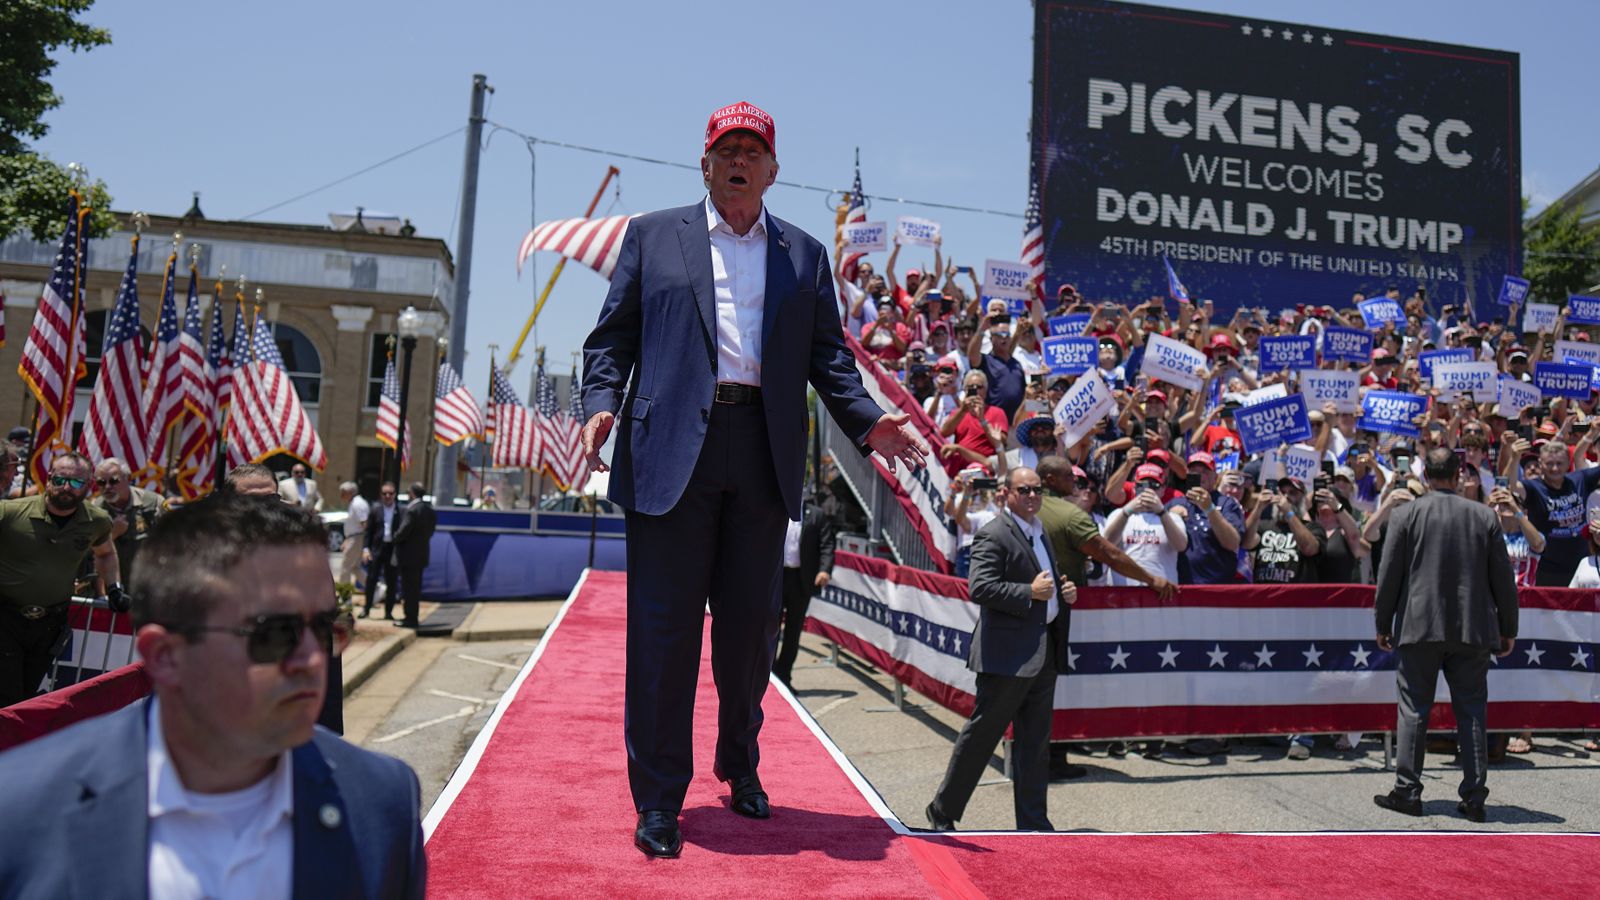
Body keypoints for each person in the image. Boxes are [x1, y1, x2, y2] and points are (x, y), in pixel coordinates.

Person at [579, 101, 925, 859]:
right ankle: (660, 801)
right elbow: (611, 339)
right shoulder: (650, 236)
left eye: (752, 150)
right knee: (664, 641)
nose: (739, 160)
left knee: (747, 637)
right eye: (725, 149)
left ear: (772, 169)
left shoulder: (802, 255)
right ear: (705, 164)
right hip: (670, 455)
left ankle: (739, 766)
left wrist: (869, 421)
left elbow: (830, 358)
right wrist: (601, 405)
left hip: (761, 452)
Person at [0, 492, 426, 896]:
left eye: (323, 630)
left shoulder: (382, 803)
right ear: (165, 657)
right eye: (275, 634)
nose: (312, 661)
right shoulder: (22, 808)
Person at [1373, 448, 1518, 824]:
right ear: (1456, 475)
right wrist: (1508, 629)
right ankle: (1474, 797)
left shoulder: (1407, 513)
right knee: (1471, 711)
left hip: (1419, 626)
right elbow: (1503, 579)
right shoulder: (1484, 515)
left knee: (1413, 709)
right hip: (1471, 628)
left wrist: (1382, 623)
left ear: (1425, 475)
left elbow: (1388, 574)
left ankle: (1407, 791)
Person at [925, 468, 1073, 833]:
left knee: (1035, 744)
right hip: (1006, 655)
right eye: (1024, 490)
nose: (1033, 496)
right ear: (1006, 492)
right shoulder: (993, 533)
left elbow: (1044, 583)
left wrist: (1062, 590)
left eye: (1038, 490)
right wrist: (1029, 592)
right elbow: (980, 588)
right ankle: (942, 810)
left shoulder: (1040, 532)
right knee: (983, 737)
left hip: (1043, 651)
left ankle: (1034, 822)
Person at [0, 452, 123, 707]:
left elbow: (106, 553)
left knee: (25, 694)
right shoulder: (10, 512)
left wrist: (114, 588)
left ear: (88, 486)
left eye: (76, 483)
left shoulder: (97, 521)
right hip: (5, 618)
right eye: (60, 480)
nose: (66, 488)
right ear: (48, 479)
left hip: (49, 624)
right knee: (7, 694)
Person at [772, 489, 836, 686]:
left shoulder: (816, 515)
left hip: (801, 581)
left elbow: (827, 545)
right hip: (776, 579)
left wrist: (824, 570)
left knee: (793, 631)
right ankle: (768, 676)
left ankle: (784, 676)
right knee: (770, 628)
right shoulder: (775, 511)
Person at [1517, 436, 1600, 587]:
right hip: (1547, 571)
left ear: (1569, 463)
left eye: (1559, 463)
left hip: (1580, 567)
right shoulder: (1533, 487)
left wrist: (1591, 433)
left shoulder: (1580, 479)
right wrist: (1513, 457)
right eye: (1549, 463)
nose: (1555, 468)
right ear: (1540, 464)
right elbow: (1510, 489)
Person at [92, 456, 165, 585]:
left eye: (114, 481)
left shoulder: (153, 503)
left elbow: (172, 542)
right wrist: (112, 535)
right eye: (102, 482)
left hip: (149, 582)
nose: (107, 487)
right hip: (113, 587)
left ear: (129, 479)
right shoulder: (94, 510)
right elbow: (87, 554)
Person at [391, 483, 436, 630]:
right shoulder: (429, 510)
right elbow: (431, 531)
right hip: (421, 555)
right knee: (415, 589)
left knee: (408, 589)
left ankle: (410, 618)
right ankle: (412, 616)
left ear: (412, 493)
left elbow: (404, 530)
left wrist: (395, 537)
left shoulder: (412, 510)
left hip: (408, 557)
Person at [362, 483, 402, 620]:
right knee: (371, 579)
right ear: (381, 495)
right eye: (385, 494)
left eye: (390, 493)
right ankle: (366, 609)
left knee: (391, 581)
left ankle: (388, 612)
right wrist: (366, 549)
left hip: (392, 549)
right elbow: (368, 531)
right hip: (377, 548)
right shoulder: (375, 510)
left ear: (395, 495)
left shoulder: (400, 510)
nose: (387, 496)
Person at [337, 481, 370, 588]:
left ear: (350, 492)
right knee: (355, 567)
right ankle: (374, 588)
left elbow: (364, 523)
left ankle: (344, 595)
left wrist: (366, 545)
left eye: (343, 492)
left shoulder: (358, 504)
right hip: (354, 538)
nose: (341, 495)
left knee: (346, 567)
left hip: (357, 538)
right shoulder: (354, 503)